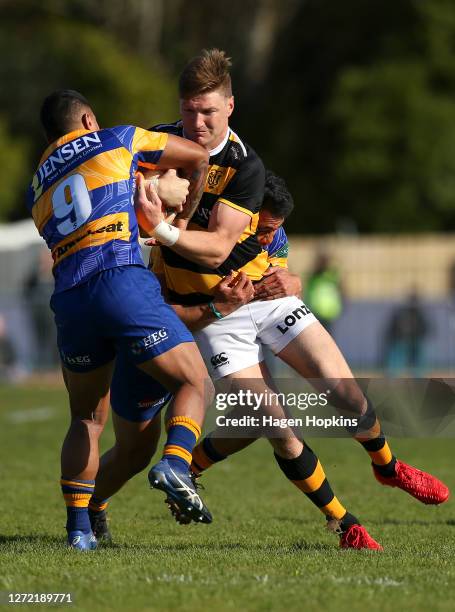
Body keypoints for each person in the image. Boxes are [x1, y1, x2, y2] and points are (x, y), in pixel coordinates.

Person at [93, 49, 448, 550]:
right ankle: (344, 524)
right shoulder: (156, 145)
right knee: (272, 423)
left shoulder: (244, 167)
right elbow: (118, 192)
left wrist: (164, 230)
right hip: (215, 314)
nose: (196, 122)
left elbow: (218, 248)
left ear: (230, 107)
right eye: (190, 110)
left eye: (208, 113)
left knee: (344, 394)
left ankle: (386, 467)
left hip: (262, 297)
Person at [27, 89, 215, 550]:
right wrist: (178, 216)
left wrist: (146, 184)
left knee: (86, 419)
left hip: (70, 297)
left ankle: (78, 531)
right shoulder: (117, 139)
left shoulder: (37, 188)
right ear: (89, 118)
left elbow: (90, 209)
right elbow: (197, 157)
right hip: (119, 279)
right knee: (193, 382)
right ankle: (174, 463)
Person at [304, 251, 343, 334]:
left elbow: (342, 286)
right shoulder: (314, 275)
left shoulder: (331, 274)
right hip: (316, 312)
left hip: (329, 312)